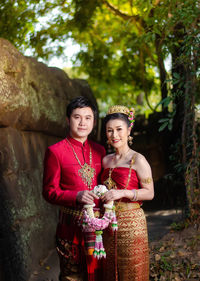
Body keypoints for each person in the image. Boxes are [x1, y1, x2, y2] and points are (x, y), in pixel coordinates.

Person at [42, 96, 106, 281]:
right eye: (77, 117)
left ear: (94, 121)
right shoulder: (55, 151)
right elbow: (49, 191)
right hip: (70, 226)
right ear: (68, 119)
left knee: (99, 275)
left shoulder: (100, 151)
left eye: (88, 118)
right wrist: (76, 195)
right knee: (72, 277)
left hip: (99, 227)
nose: (82, 122)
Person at [100, 105, 154, 281]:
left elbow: (149, 193)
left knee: (132, 270)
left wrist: (122, 193)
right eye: (109, 130)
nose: (114, 135)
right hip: (108, 223)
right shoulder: (106, 160)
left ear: (129, 130)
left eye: (118, 129)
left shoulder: (138, 160)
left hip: (132, 224)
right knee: (109, 269)